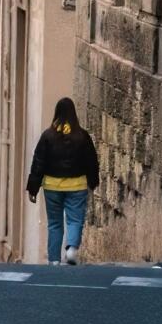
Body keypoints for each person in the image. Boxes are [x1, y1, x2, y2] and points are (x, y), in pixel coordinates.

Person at [26, 97, 101, 265]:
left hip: (52, 186)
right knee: (75, 219)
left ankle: (54, 260)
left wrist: (33, 188)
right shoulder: (82, 136)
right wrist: (93, 181)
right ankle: (71, 249)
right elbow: (91, 161)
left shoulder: (47, 136)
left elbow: (38, 163)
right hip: (77, 186)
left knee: (54, 223)